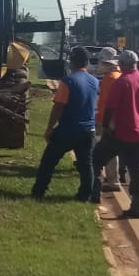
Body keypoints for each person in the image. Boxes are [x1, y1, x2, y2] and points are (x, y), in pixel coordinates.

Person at [92, 50, 139, 218]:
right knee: (137, 171)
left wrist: (105, 126)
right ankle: (138, 207)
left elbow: (110, 108)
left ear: (121, 65)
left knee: (96, 158)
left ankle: (94, 194)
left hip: (121, 132)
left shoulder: (122, 82)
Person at [31, 47, 99, 201]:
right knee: (86, 165)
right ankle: (85, 195)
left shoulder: (68, 81)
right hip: (88, 130)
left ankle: (38, 191)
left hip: (68, 129)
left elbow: (58, 106)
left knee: (48, 162)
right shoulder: (94, 81)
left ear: (72, 62)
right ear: (87, 63)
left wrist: (49, 129)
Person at [93, 47, 122, 192]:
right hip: (117, 119)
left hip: (108, 120)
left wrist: (102, 122)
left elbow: (105, 103)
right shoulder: (118, 76)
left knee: (105, 152)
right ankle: (114, 178)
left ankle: (112, 181)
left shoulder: (109, 79)